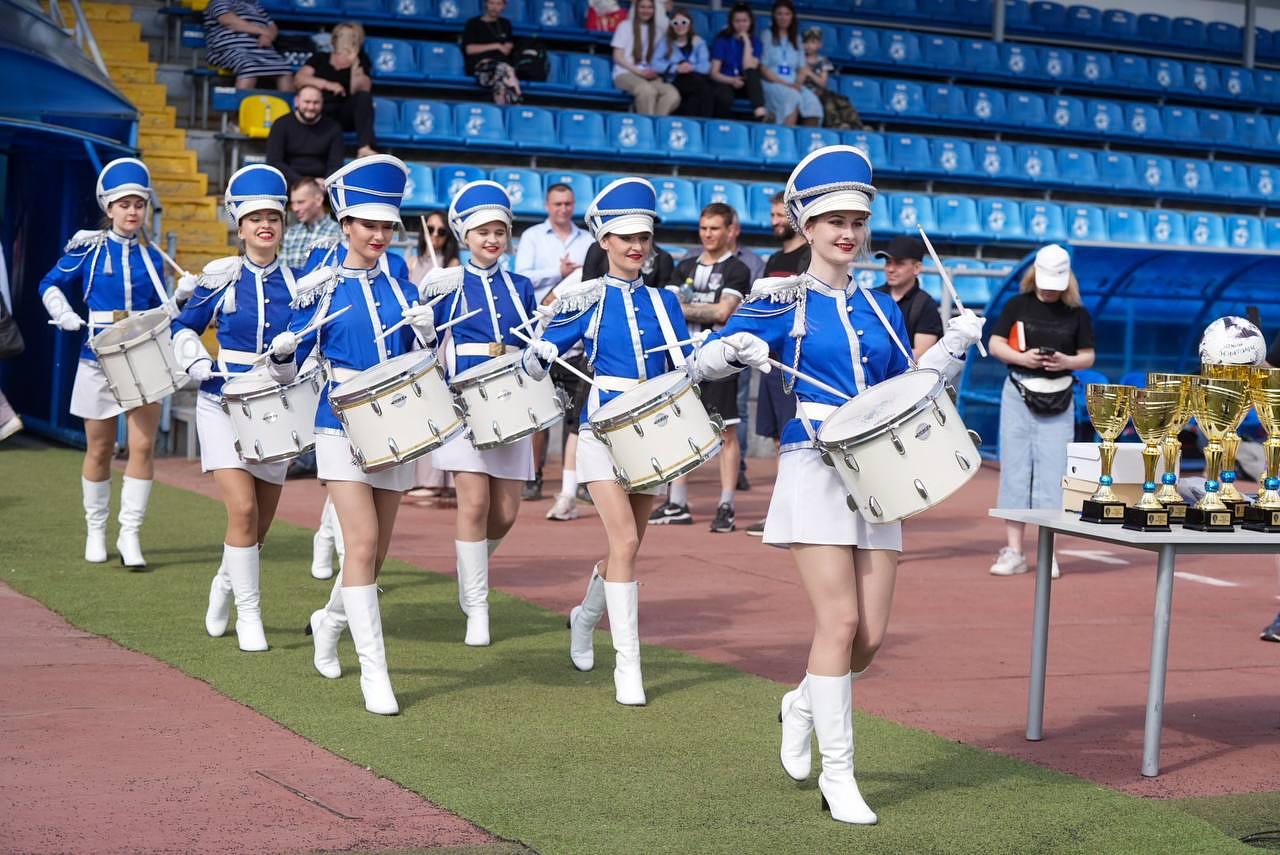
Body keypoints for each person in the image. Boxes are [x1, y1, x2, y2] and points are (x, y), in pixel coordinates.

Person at [692, 145, 984, 824]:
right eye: (833, 222)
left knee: (871, 637)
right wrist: (734, 348)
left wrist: (952, 347)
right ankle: (840, 774)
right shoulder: (778, 297)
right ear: (807, 226)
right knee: (840, 620)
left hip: (877, 471)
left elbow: (905, 389)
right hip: (814, 466)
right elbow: (702, 364)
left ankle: (800, 701)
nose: (847, 233)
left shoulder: (884, 308)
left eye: (856, 220)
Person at [527, 177, 696, 706]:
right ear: (604, 242)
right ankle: (629, 665)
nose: (636, 246)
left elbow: (680, 366)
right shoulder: (588, 297)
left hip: (654, 433)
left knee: (628, 545)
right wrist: (539, 346)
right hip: (603, 431)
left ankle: (585, 617)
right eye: (624, 237)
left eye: (643, 236)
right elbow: (543, 353)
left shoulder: (666, 301)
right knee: (624, 543)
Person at [277, 154, 430, 715]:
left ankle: (329, 621)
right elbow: (289, 365)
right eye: (369, 225)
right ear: (346, 226)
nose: (379, 235)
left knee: (375, 555)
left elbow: (418, 364)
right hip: (338, 422)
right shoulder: (320, 286)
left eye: (387, 226)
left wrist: (428, 336)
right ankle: (375, 673)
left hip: (398, 423)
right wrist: (282, 355)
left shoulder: (404, 288)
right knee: (361, 543)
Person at [170, 164, 305, 651]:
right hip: (221, 402)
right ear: (240, 226)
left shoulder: (300, 284)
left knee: (259, 524)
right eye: (255, 218)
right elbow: (183, 326)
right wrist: (194, 362)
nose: (264, 225)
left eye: (273, 216)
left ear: (283, 224)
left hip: (277, 404)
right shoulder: (221, 276)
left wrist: (292, 361)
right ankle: (251, 617)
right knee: (243, 508)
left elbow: (309, 347)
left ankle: (225, 586)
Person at [39, 158, 195, 568]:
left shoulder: (151, 257)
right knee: (101, 447)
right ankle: (95, 530)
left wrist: (181, 297)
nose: (131, 212)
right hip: (98, 356)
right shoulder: (87, 248)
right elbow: (50, 282)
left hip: (144, 356)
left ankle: (130, 535)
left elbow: (164, 313)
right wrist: (64, 311)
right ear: (109, 208)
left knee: (144, 446)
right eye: (124, 204)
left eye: (138, 205)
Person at [424, 181, 540, 647]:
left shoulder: (522, 286)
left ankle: (468, 566)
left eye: (499, 231)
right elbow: (427, 347)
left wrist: (540, 352)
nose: (491, 239)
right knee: (473, 503)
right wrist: (423, 329)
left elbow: (529, 344)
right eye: (481, 232)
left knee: (507, 514)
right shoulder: (445, 282)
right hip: (464, 400)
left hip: (512, 399)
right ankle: (477, 604)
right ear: (464, 236)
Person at [987, 244, 1095, 579]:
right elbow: (995, 344)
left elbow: (1088, 356)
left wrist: (1065, 361)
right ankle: (1014, 549)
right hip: (1019, 389)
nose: (1049, 289)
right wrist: (1023, 358)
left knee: (1053, 472)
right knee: (1016, 469)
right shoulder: (1017, 304)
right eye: (1046, 281)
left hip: (1060, 392)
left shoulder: (1077, 313)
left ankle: (1048, 552)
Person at [650, 203, 749, 530]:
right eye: (704, 228)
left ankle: (727, 504)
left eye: (715, 228)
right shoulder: (685, 264)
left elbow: (724, 313)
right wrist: (703, 310)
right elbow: (671, 309)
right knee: (681, 427)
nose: (708, 234)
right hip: (683, 357)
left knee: (726, 430)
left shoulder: (737, 269)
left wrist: (691, 309)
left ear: (729, 230)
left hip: (719, 357)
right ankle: (677, 502)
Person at [514, 182, 593, 501]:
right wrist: (556, 272)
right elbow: (522, 276)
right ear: (547, 205)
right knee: (539, 411)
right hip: (539, 333)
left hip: (576, 337)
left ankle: (579, 480)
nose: (563, 209)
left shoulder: (587, 240)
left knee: (577, 414)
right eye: (557, 203)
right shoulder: (533, 236)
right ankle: (534, 476)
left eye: (568, 204)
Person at [743, 190, 809, 535]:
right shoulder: (772, 260)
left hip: (793, 363)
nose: (775, 222)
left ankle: (793, 513)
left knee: (794, 438)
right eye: (771, 217)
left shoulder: (809, 256)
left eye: (780, 216)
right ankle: (783, 510)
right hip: (770, 361)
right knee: (777, 440)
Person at [293, 23, 377, 158]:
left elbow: (360, 90)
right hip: (319, 109)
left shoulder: (362, 61)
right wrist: (327, 84)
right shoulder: (320, 58)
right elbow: (299, 79)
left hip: (344, 113)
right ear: (334, 39)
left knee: (364, 98)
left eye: (352, 38)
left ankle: (364, 148)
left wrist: (355, 65)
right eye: (342, 37)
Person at [873, 236, 943, 359]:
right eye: (888, 262)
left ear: (917, 268)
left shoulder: (926, 305)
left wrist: (878, 361)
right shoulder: (872, 297)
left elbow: (922, 354)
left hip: (905, 376)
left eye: (899, 263)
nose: (890, 269)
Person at [202, 0, 294, 91]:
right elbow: (228, 20)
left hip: (261, 50)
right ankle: (241, 104)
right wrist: (262, 31)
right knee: (249, 68)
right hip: (229, 50)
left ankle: (286, 105)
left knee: (285, 70)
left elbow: (272, 27)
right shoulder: (218, 2)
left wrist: (269, 37)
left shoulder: (254, 4)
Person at [265, 86, 344, 190]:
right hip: (290, 182)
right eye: (307, 102)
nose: (311, 107)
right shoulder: (281, 125)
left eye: (316, 103)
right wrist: (304, 183)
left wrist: (326, 182)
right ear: (297, 101)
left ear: (322, 103)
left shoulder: (333, 127)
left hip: (321, 184)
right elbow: (274, 161)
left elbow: (335, 164)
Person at [611, 0, 681, 116]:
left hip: (648, 75)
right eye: (642, 7)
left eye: (650, 8)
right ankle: (647, 128)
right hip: (625, 73)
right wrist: (638, 71)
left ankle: (654, 125)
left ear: (654, 10)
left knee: (672, 94)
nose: (646, 11)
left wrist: (654, 71)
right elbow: (617, 57)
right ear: (636, 9)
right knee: (646, 91)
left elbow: (660, 58)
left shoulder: (658, 32)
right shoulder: (625, 26)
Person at [761, 0, 822, 127]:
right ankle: (785, 139)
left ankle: (808, 141)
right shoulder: (767, 35)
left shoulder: (797, 38)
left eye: (787, 14)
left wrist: (798, 83)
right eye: (779, 14)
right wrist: (785, 84)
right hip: (772, 82)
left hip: (793, 83)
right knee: (792, 97)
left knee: (812, 102)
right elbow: (763, 68)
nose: (783, 17)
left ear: (792, 16)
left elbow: (802, 67)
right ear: (774, 16)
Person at [710, 3, 768, 121]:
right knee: (724, 97)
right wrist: (732, 80)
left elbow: (749, 66)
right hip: (726, 81)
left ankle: (760, 113)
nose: (741, 24)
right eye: (737, 21)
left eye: (744, 21)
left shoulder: (756, 42)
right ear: (731, 22)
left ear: (750, 22)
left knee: (753, 73)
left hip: (746, 83)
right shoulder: (722, 40)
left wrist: (746, 41)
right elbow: (714, 73)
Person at [653, 7, 714, 117]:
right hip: (676, 80)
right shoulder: (666, 42)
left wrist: (692, 67)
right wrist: (675, 68)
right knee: (704, 88)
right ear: (671, 25)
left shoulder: (698, 42)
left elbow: (706, 67)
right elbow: (654, 64)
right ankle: (706, 121)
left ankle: (693, 125)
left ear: (690, 23)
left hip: (695, 79)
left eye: (684, 22)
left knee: (694, 100)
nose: (680, 25)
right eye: (676, 23)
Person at [462, 0, 523, 106]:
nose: (494, 7)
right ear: (486, 4)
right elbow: (469, 49)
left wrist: (509, 46)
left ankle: (503, 110)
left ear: (504, 6)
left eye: (498, 4)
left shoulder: (505, 24)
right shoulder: (473, 23)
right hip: (482, 68)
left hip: (501, 70)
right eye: (492, 3)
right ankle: (517, 96)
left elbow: (508, 46)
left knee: (501, 83)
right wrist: (496, 45)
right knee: (505, 70)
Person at [802, 27, 861, 130]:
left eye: (813, 42)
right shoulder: (799, 60)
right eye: (806, 42)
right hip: (804, 93)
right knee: (828, 103)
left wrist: (809, 73)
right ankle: (836, 125)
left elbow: (823, 83)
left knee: (842, 101)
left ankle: (856, 126)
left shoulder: (823, 61)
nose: (808, 46)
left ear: (819, 45)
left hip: (820, 92)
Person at [281, 177, 340, 268]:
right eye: (293, 203)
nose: (294, 208)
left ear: (319, 200)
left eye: (300, 202)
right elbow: (283, 273)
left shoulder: (338, 233)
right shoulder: (291, 233)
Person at [410, 210, 462, 285]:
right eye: (430, 229)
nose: (435, 234)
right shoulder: (412, 262)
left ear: (448, 236)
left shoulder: (452, 264)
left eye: (441, 231)